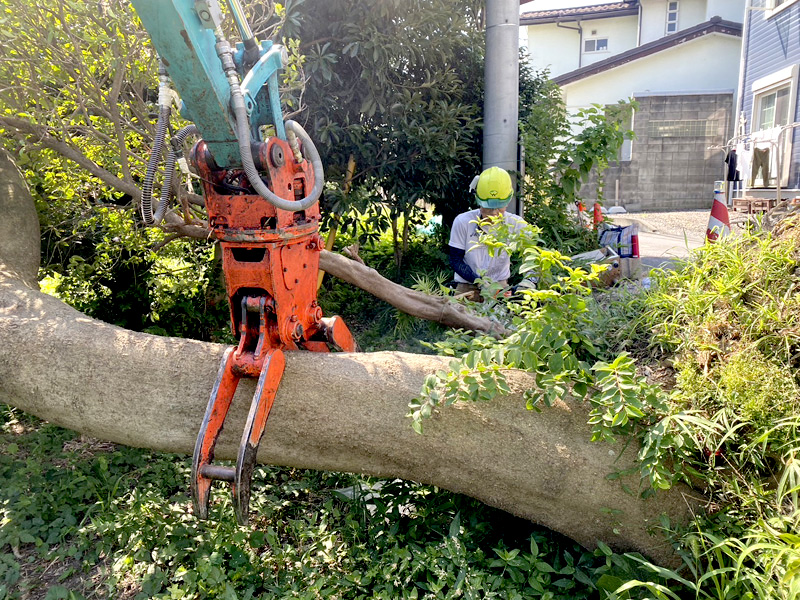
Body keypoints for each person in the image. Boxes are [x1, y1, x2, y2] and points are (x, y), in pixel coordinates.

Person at [448, 166, 526, 300]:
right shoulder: (463, 222)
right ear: (478, 200)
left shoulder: (516, 224)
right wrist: (480, 282)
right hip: (466, 287)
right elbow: (455, 259)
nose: (494, 213)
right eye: (488, 208)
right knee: (461, 319)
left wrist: (528, 283)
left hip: (499, 287)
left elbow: (533, 255)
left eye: (499, 207)